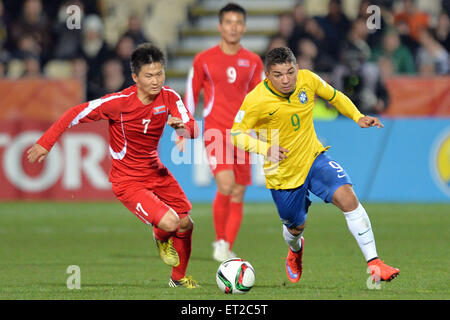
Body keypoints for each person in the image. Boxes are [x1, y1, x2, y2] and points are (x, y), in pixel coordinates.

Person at [27, 43, 200, 289]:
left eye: (160, 73)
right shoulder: (118, 102)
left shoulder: (170, 96)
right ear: (135, 77)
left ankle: (178, 279)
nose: (156, 80)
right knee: (170, 223)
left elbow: (192, 126)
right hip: (127, 182)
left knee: (186, 223)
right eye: (149, 75)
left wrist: (183, 129)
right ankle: (160, 236)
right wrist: (46, 142)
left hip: (156, 172)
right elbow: (75, 112)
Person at [230, 47, 399, 284]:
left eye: (290, 72)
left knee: (348, 197)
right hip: (283, 174)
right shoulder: (256, 100)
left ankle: (375, 263)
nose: (286, 79)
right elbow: (236, 135)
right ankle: (295, 250)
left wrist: (357, 116)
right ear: (267, 75)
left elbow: (335, 96)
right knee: (296, 228)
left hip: (314, 158)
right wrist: (265, 148)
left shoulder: (307, 79)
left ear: (297, 67)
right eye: (278, 75)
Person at [183, 3, 264, 262]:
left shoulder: (253, 61)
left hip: (244, 134)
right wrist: (184, 129)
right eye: (229, 22)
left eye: (238, 22)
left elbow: (260, 98)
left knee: (239, 192)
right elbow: (191, 94)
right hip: (216, 131)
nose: (233, 27)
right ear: (220, 26)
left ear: (244, 27)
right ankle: (219, 240)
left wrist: (262, 128)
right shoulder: (204, 59)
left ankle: (227, 244)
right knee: (226, 184)